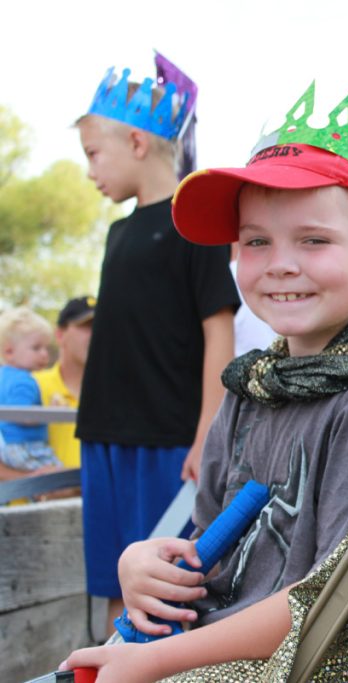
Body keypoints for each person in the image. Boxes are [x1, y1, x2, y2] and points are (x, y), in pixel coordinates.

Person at [62, 83, 348, 682]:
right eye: (255, 241)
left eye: (314, 239)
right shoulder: (257, 382)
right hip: (221, 640)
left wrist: (152, 661)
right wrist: (145, 562)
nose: (279, 263)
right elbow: (210, 541)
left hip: (322, 661)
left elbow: (330, 597)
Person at [74, 63, 239, 633]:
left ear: (137, 142)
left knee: (167, 584)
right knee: (113, 578)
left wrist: (206, 433)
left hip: (167, 439)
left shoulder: (195, 224)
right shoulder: (119, 231)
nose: (89, 169)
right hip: (102, 434)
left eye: (94, 153)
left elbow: (220, 329)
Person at [0, 306, 63, 480]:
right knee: (59, 478)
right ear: (9, 352)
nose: (44, 354)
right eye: (36, 348)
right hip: (24, 446)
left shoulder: (4, 376)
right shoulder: (23, 381)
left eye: (46, 348)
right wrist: (51, 413)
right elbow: (23, 415)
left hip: (6, 445)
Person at [33, 296, 96, 469]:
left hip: (90, 496)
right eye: (86, 326)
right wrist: (38, 482)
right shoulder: (31, 385)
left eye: (101, 326)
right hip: (35, 495)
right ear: (60, 335)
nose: (96, 333)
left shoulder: (117, 394)